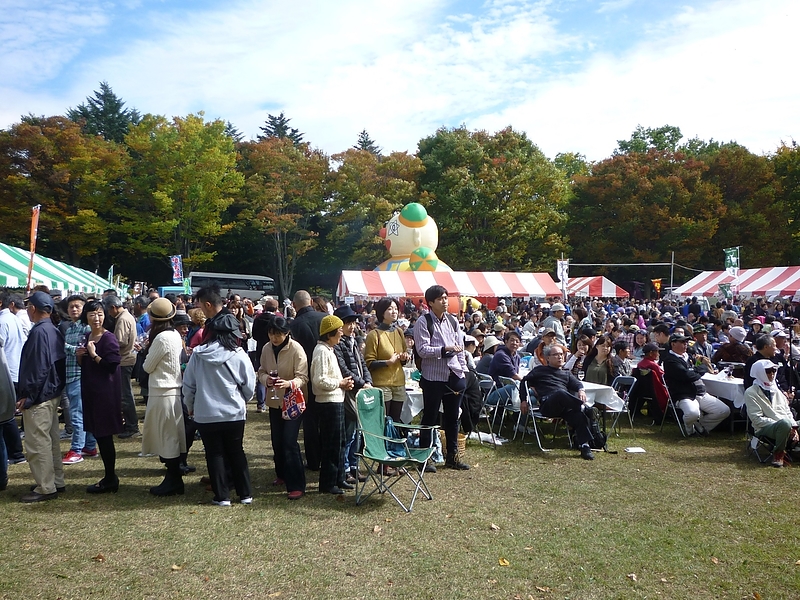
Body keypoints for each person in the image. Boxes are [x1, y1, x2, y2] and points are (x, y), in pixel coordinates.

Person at [183, 313, 256, 506]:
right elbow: (249, 385)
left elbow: (189, 385)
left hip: (206, 412)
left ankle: (222, 496)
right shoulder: (239, 354)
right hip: (234, 412)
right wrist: (243, 400)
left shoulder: (198, 354)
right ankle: (245, 494)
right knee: (236, 451)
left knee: (214, 453)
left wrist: (190, 406)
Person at [15, 292, 67, 502]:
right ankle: (56, 481)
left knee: (38, 443)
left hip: (40, 396)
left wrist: (28, 396)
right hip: (51, 393)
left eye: (29, 307)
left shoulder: (39, 333)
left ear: (34, 309)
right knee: (51, 440)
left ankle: (46, 486)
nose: (27, 310)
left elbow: (37, 369)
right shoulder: (53, 330)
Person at [413, 285, 469, 471]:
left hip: (454, 374)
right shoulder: (423, 322)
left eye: (446, 297)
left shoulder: (452, 321)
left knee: (453, 417)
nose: (445, 301)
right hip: (433, 377)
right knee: (430, 416)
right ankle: (424, 458)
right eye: (440, 299)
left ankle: (452, 457)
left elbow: (459, 347)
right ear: (430, 303)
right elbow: (422, 350)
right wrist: (443, 351)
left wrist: (463, 369)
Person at [257, 316, 309, 500]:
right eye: (271, 334)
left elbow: (303, 377)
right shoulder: (266, 348)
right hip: (274, 401)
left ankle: (297, 484)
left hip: (293, 402)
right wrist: (266, 380)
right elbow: (261, 371)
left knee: (289, 442)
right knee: (277, 441)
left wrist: (288, 383)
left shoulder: (296, 349)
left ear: (287, 333)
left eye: (278, 334)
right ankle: (282, 474)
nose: (274, 338)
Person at [75, 299, 123, 494]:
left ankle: (111, 478)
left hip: (105, 393)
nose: (97, 318)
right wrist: (81, 356)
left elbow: (112, 365)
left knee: (104, 437)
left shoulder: (108, 338)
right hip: (91, 391)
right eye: (92, 314)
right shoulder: (87, 336)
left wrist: (94, 355)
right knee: (99, 435)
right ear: (86, 316)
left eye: (100, 314)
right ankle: (109, 477)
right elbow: (85, 365)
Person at [141, 298, 187, 496]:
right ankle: (173, 478)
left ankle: (173, 480)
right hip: (172, 390)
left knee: (167, 437)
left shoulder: (161, 338)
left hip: (163, 391)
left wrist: (143, 351)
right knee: (171, 435)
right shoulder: (174, 334)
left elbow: (147, 366)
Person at [519, 344, 596, 460]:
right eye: (556, 355)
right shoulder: (540, 370)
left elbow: (578, 384)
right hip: (548, 405)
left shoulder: (566, 373)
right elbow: (523, 382)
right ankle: (584, 408)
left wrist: (581, 390)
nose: (560, 357)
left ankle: (584, 446)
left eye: (561, 354)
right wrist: (524, 400)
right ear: (547, 358)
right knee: (560, 393)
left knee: (579, 416)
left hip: (564, 408)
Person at [310, 315, 354, 494]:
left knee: (340, 443)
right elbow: (319, 380)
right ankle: (328, 483)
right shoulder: (321, 351)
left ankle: (339, 477)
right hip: (328, 403)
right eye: (339, 330)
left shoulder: (329, 349)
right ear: (330, 334)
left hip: (336, 400)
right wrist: (340, 383)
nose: (342, 333)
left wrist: (343, 382)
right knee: (331, 444)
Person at [332, 305, 372, 485]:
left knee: (358, 433)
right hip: (349, 392)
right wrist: (363, 383)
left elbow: (362, 364)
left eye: (353, 322)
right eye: (347, 323)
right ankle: (346, 468)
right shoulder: (338, 344)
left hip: (360, 390)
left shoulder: (353, 341)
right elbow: (344, 369)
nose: (352, 326)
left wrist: (368, 381)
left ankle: (354, 466)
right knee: (349, 433)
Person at [662, 334, 730, 436]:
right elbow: (687, 375)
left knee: (724, 410)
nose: (685, 345)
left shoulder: (688, 356)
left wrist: (695, 370)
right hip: (683, 395)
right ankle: (690, 431)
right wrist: (696, 371)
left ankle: (700, 427)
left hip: (700, 392)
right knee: (693, 413)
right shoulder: (670, 360)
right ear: (673, 344)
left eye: (686, 342)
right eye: (682, 342)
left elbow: (704, 368)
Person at [289, 290, 325, 471]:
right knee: (329, 419)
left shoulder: (294, 325)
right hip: (328, 373)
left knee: (310, 420)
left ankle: (313, 460)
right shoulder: (326, 318)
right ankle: (329, 457)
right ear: (311, 301)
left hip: (306, 377)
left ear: (294, 305)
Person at [61, 295, 96, 465]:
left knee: (77, 414)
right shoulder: (70, 329)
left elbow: (84, 350)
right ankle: (89, 445)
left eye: (77, 306)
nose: (74, 309)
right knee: (83, 412)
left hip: (80, 376)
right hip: (70, 374)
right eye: (71, 307)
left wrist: (65, 346)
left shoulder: (86, 328)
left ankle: (76, 449)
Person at [744, 359, 799, 468]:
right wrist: (784, 424)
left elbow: (787, 411)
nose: (772, 374)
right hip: (764, 427)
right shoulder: (751, 392)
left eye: (774, 370)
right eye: (768, 371)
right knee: (784, 424)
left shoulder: (776, 390)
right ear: (759, 372)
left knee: (788, 423)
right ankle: (778, 455)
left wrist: (794, 426)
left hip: (786, 424)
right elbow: (757, 419)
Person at [364, 297, 409, 423]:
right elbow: (368, 362)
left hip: (399, 382)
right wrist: (388, 362)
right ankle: (383, 443)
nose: (394, 312)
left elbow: (403, 355)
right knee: (384, 420)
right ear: (381, 312)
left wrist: (404, 357)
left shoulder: (399, 332)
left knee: (396, 420)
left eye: (396, 309)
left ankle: (394, 443)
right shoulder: (374, 335)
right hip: (382, 383)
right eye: (390, 309)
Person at [103, 295, 139, 438]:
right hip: (127, 358)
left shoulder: (123, 319)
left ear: (113, 307)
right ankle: (130, 424)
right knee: (124, 394)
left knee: (125, 395)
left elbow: (120, 341)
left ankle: (132, 426)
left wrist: (107, 344)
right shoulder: (126, 316)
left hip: (124, 359)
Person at [0, 291, 28, 465]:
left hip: (7, 371)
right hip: (15, 369)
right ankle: (16, 453)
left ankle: (16, 453)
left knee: (7, 417)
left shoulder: (3, 321)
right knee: (8, 416)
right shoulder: (14, 318)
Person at [487, 331, 522, 406]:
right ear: (506, 342)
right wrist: (530, 383)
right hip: (494, 392)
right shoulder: (501, 355)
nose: (514, 343)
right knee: (516, 386)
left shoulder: (517, 356)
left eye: (517, 341)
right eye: (512, 340)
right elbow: (514, 376)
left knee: (532, 399)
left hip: (507, 391)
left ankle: (515, 417)